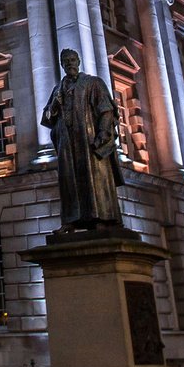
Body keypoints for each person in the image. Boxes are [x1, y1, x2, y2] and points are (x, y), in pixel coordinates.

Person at [41, 48, 125, 230]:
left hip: (89, 140)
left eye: (72, 60)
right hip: (67, 143)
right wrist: (54, 105)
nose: (70, 63)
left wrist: (103, 133)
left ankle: (101, 218)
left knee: (94, 179)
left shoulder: (93, 83)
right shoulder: (58, 89)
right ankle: (71, 220)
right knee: (69, 181)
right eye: (66, 61)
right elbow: (46, 119)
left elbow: (106, 110)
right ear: (62, 65)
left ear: (78, 62)